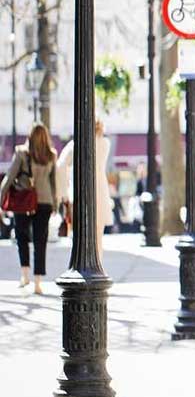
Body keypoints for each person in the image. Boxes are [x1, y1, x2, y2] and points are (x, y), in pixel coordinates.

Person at [2, 123, 58, 294]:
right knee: (41, 241)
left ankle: (25, 275)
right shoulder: (51, 155)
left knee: (22, 236)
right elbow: (53, 182)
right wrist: (55, 204)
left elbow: (9, 177)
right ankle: (38, 283)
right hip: (45, 202)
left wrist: (1, 197)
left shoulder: (22, 153)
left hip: (23, 201)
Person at [57, 119, 113, 258]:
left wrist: (65, 187)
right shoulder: (105, 143)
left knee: (81, 233)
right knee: (99, 235)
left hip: (81, 191)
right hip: (100, 190)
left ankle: (82, 263)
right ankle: (98, 266)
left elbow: (60, 165)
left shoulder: (76, 144)